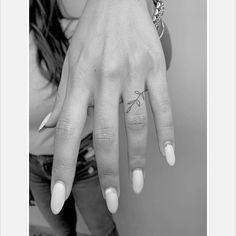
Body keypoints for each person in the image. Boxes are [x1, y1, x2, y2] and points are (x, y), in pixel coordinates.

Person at [29, 0, 174, 235]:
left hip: (83, 162)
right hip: (33, 166)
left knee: (103, 230)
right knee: (62, 231)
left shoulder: (71, 34)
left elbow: (161, 58)